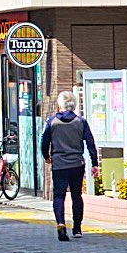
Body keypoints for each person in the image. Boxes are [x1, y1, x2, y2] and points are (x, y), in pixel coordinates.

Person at [41, 91, 101, 242]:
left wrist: (46, 156)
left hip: (59, 164)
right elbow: (90, 143)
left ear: (60, 105)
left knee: (59, 195)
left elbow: (44, 141)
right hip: (76, 164)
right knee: (76, 195)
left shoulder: (52, 121)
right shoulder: (80, 122)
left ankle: (61, 225)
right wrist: (95, 163)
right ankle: (77, 228)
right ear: (74, 105)